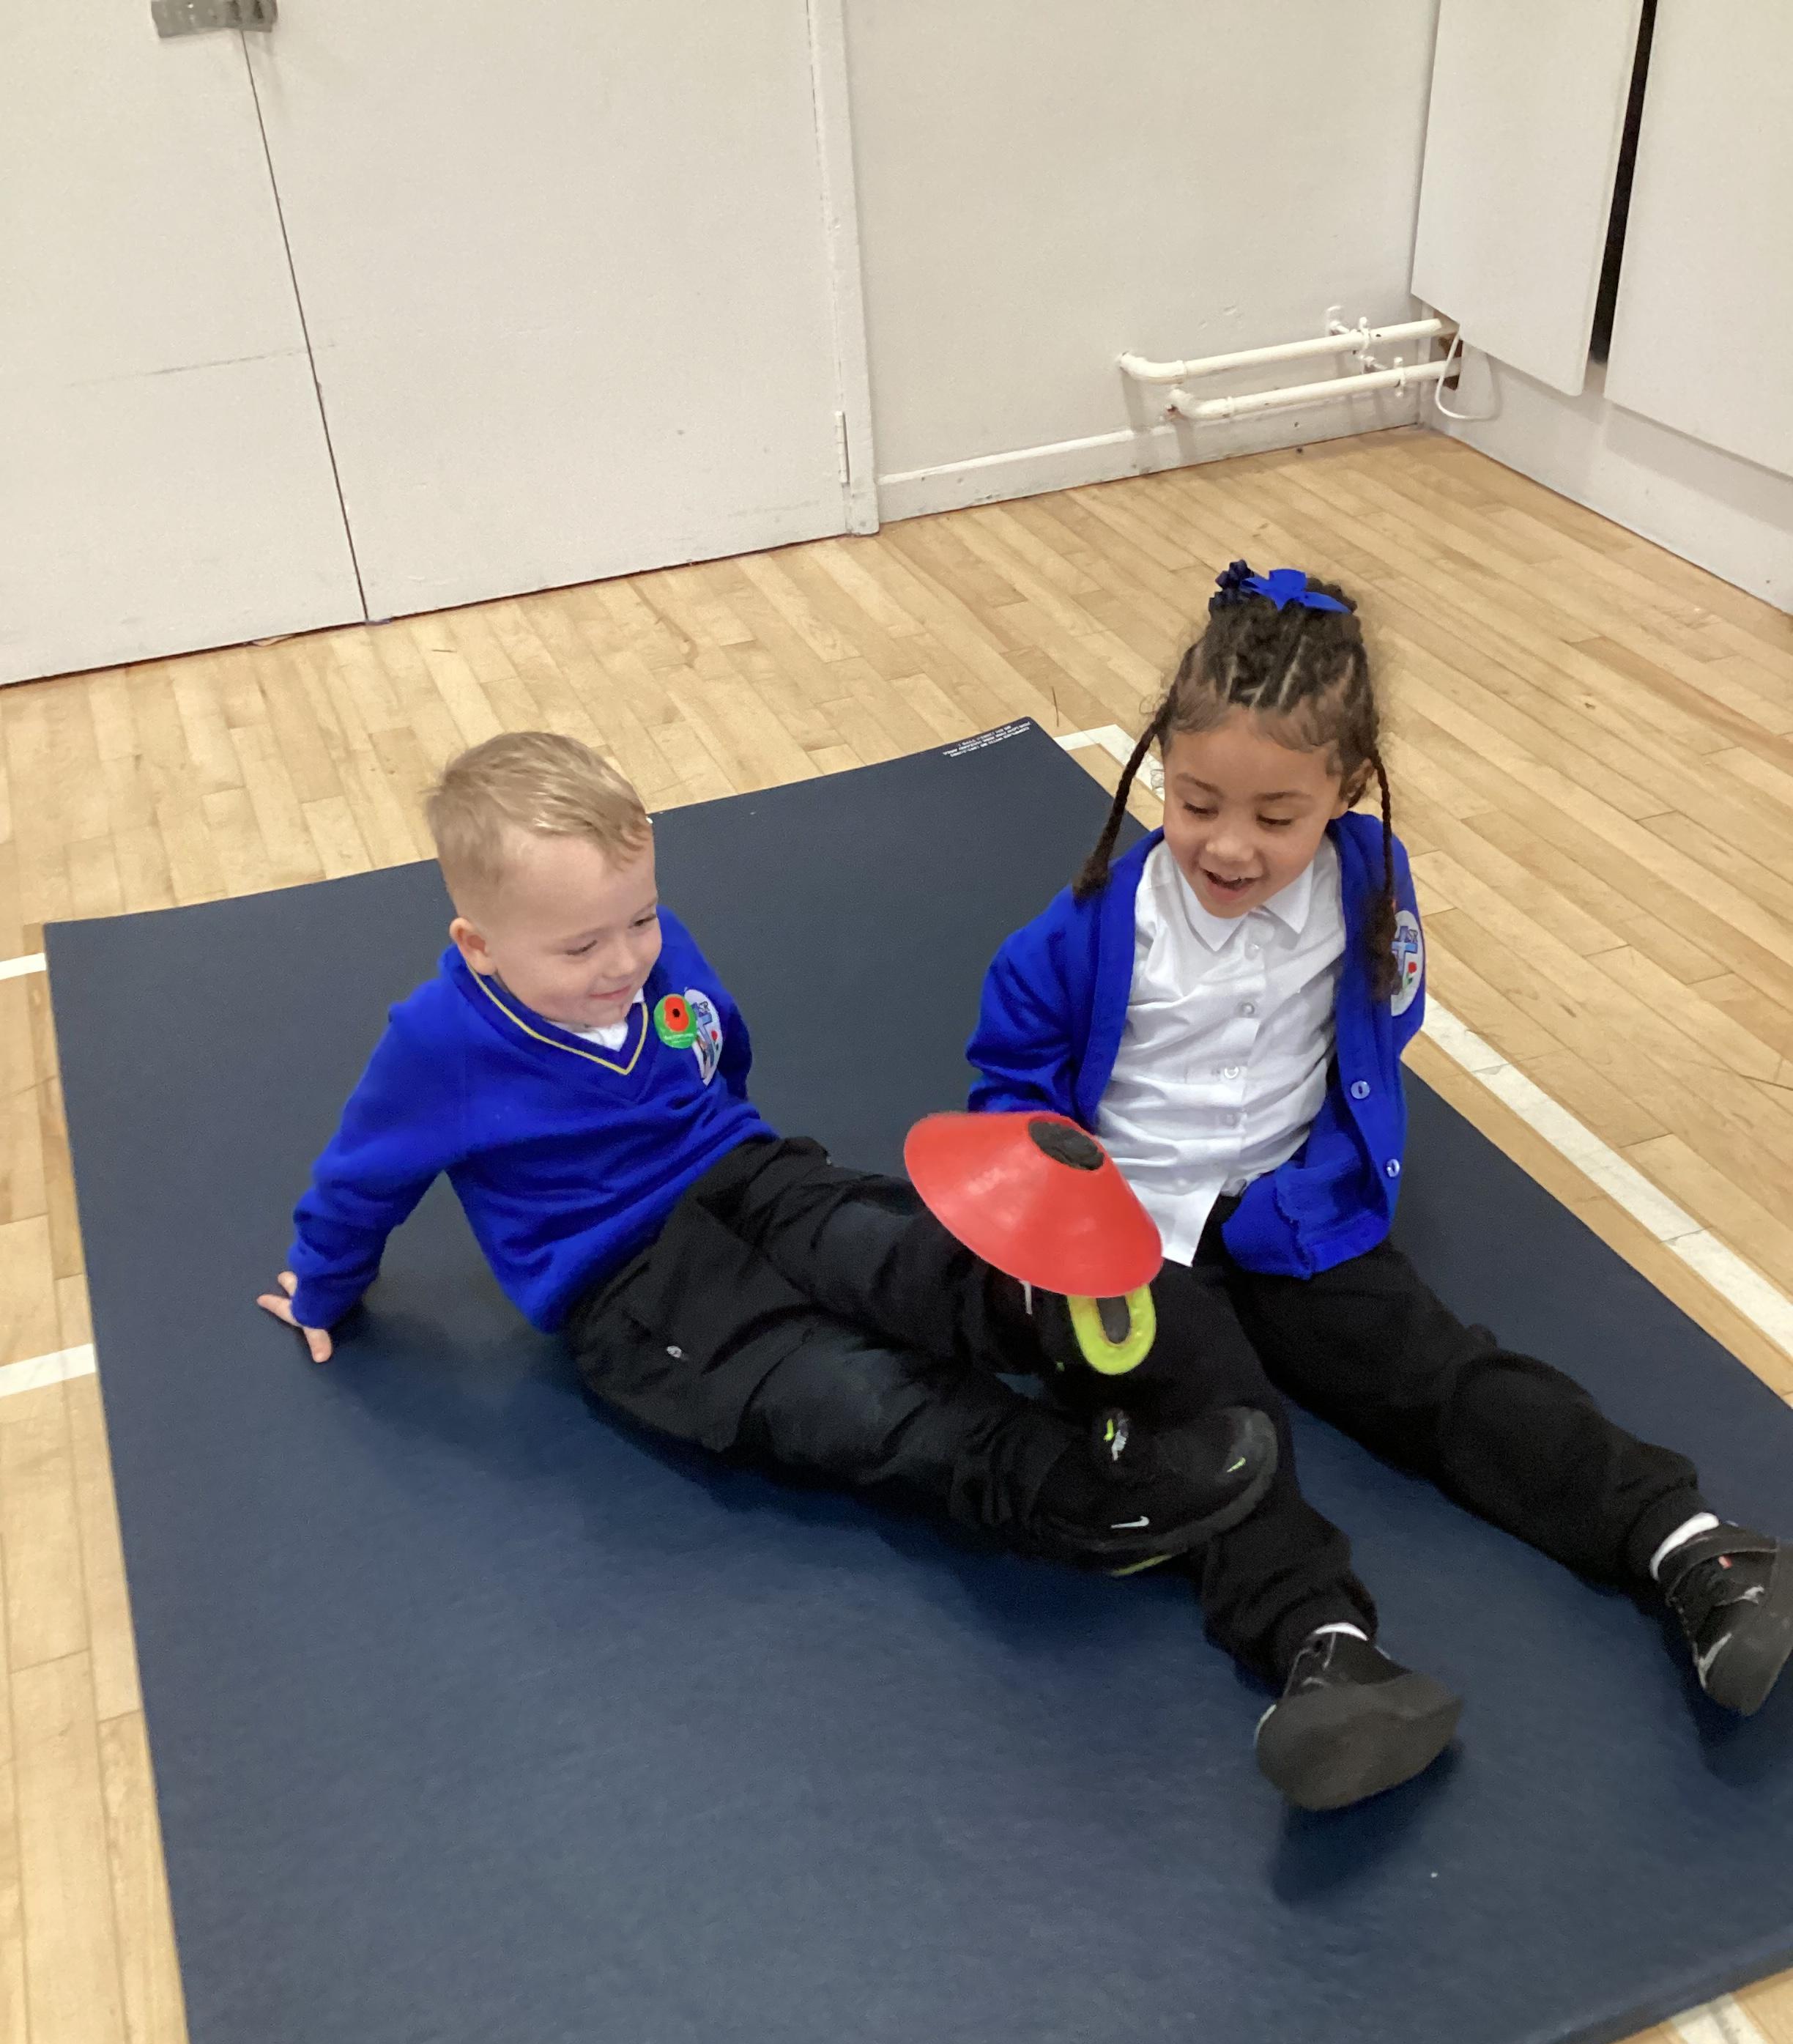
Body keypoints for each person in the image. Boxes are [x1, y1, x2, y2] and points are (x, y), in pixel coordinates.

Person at [965, 560, 1792, 1812]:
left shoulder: (1368, 881)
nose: (1229, 844)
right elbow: (1007, 1093)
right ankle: (1323, 1650)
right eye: (1197, 802)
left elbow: (1385, 1014)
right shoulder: (1082, 934)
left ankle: (1692, 1547)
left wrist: (1335, 1168)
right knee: (1218, 1427)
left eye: (1276, 816)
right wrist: (1054, 1222)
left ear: (1346, 789)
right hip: (1135, 1246)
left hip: (1293, 1213)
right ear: (1160, 767)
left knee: (1436, 1372)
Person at [257, 733, 1275, 1580]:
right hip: (629, 1282)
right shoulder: (438, 1045)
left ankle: (1036, 1314)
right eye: (580, 948)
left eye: (639, 920)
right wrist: (324, 1286)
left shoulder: (655, 949)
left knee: (886, 1246)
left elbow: (719, 1038)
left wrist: (746, 1145)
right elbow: (363, 1176)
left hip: (742, 1171)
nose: (625, 961)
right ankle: (1078, 1495)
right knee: (847, 1394)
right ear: (479, 945)